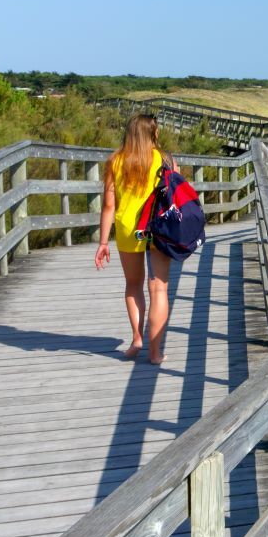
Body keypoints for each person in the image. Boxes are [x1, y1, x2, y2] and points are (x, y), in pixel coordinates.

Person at [93, 114, 174, 365]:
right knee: (158, 288)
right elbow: (175, 195)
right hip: (158, 229)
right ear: (153, 133)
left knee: (133, 285)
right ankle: (155, 352)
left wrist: (103, 242)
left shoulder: (115, 161)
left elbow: (108, 205)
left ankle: (137, 338)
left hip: (129, 230)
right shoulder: (165, 159)